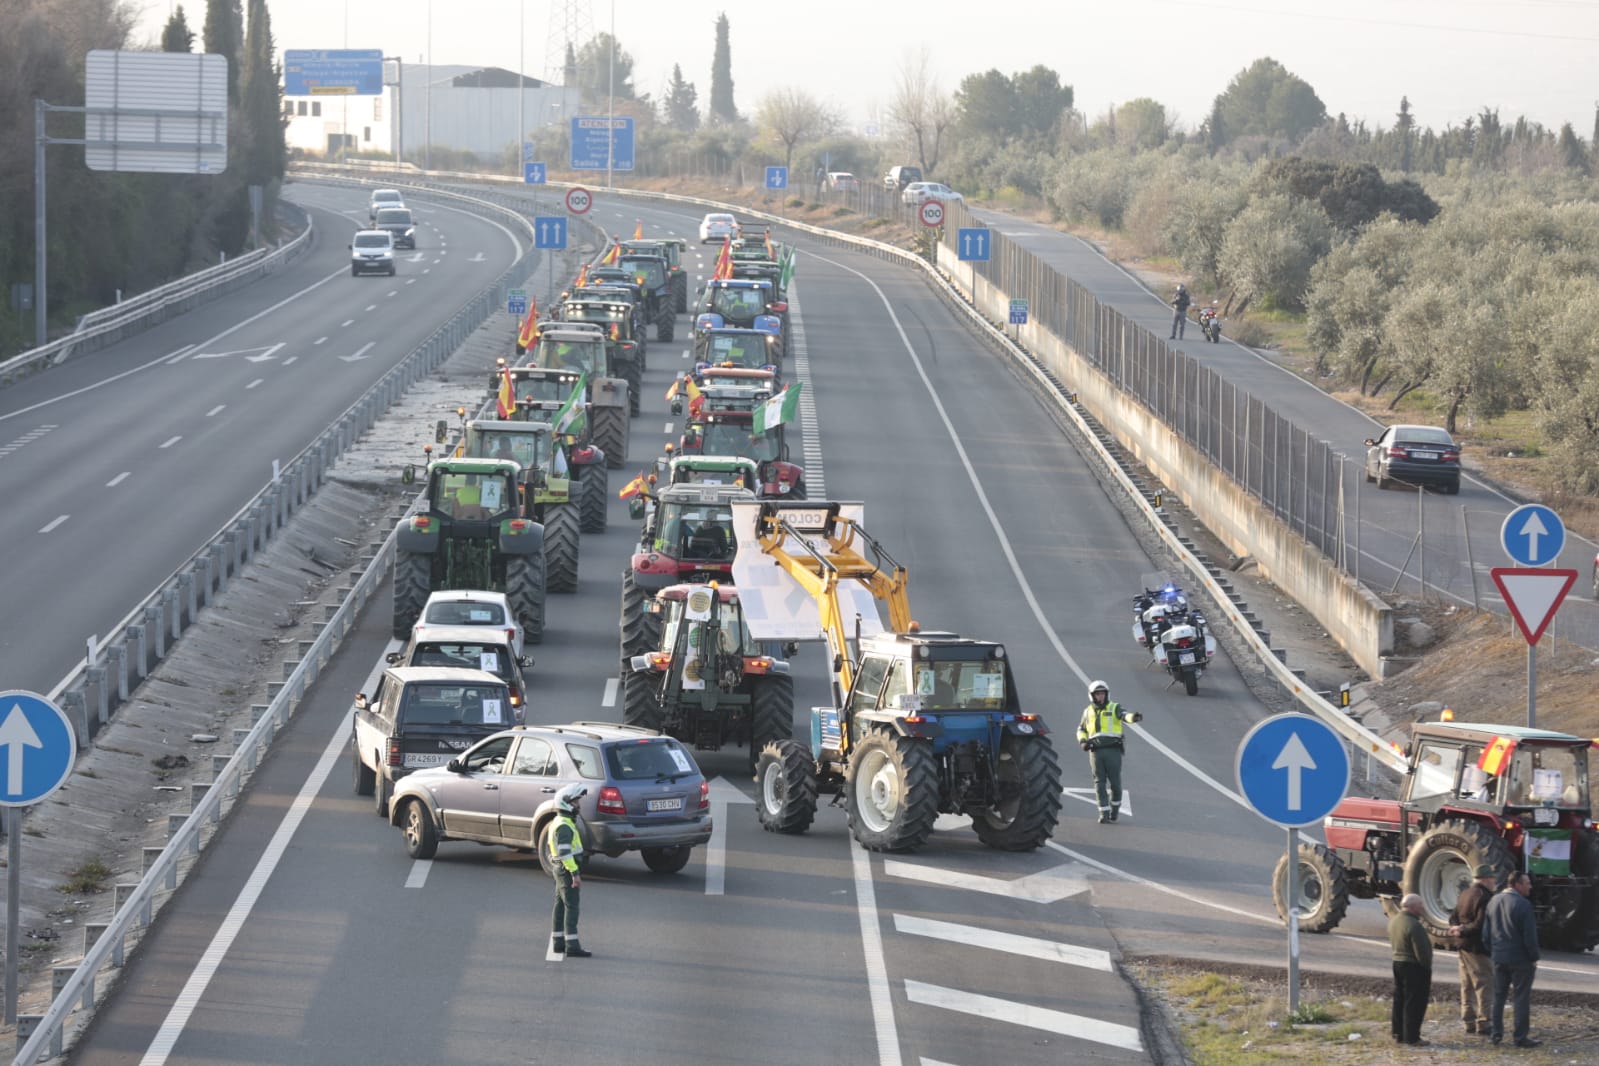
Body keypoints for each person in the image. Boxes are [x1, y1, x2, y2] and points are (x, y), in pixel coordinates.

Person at [1483, 871, 1540, 1047]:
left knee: (1499, 996)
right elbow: (1529, 936)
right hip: (1520, 959)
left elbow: (1486, 934)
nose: (1530, 886)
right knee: (1521, 997)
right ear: (1517, 884)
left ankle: (1496, 1033)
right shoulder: (1523, 905)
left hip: (1499, 957)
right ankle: (1520, 1036)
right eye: (1527, 883)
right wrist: (1533, 957)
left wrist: (1493, 952)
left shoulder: (1493, 901)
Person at [1075, 680, 1142, 824]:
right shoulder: (1087, 712)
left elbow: (1125, 715)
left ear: (1107, 694)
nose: (1101, 697)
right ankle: (1103, 813)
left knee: (1116, 784)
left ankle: (1115, 811)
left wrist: (1134, 717)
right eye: (1097, 694)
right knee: (1099, 783)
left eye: (1103, 693)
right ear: (1092, 696)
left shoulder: (1114, 707)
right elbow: (1081, 729)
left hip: (1113, 751)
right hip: (1095, 752)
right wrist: (1083, 742)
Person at [1448, 864, 1498, 1036]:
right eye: (1492, 878)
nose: (1494, 881)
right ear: (1485, 879)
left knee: (1466, 984)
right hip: (1478, 947)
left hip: (1462, 946)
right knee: (1484, 984)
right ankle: (1484, 1023)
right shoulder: (1485, 897)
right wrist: (1464, 930)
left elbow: (1452, 917)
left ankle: (1468, 1020)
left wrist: (1457, 928)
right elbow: (1480, 924)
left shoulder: (1465, 894)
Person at [546, 783, 592, 958]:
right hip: (566, 870)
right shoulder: (564, 825)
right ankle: (572, 945)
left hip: (559, 868)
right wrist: (575, 874)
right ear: (566, 803)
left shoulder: (559, 821)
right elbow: (565, 853)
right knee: (572, 907)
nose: (578, 805)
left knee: (560, 905)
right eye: (575, 802)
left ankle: (558, 943)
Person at [1389, 893, 1433, 1046]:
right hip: (1413, 966)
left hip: (1397, 962)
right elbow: (1422, 951)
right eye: (1420, 905)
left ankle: (1398, 1032)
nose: (1422, 907)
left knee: (1399, 999)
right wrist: (1426, 968)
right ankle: (1412, 1037)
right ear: (1413, 907)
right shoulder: (1414, 925)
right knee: (1414, 1002)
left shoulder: (1395, 921)